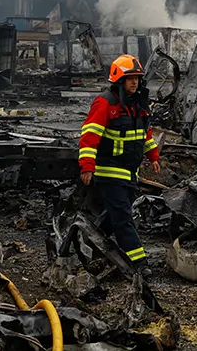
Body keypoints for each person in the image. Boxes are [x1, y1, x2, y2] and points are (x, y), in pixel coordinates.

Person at [78, 54, 162, 274]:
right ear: (118, 80)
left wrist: (153, 155)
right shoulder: (106, 103)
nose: (134, 82)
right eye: (130, 78)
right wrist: (87, 165)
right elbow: (89, 136)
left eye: (137, 78)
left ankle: (89, 240)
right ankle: (139, 263)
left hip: (129, 173)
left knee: (116, 214)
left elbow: (145, 133)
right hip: (109, 172)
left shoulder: (138, 104)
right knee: (123, 216)